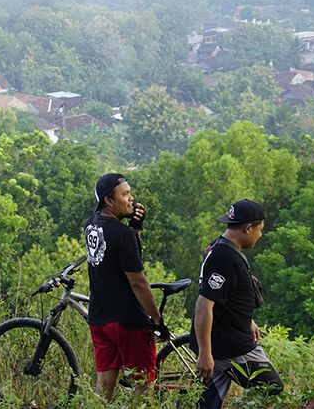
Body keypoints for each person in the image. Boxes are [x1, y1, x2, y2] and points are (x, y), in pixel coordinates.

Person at [190, 199, 283, 409]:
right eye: (260, 230)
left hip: (223, 340)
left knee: (207, 403)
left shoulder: (223, 248)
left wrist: (247, 319)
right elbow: (204, 306)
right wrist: (206, 354)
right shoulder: (223, 258)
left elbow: (226, 296)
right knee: (272, 387)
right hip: (229, 347)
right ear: (248, 228)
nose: (260, 236)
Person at [83, 173, 170, 400]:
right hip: (128, 322)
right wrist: (157, 320)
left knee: (103, 387)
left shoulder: (91, 225)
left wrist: (135, 228)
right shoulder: (122, 235)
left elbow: (117, 255)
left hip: (100, 319)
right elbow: (137, 281)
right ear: (108, 201)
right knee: (142, 386)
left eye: (130, 192)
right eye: (125, 194)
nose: (131, 198)